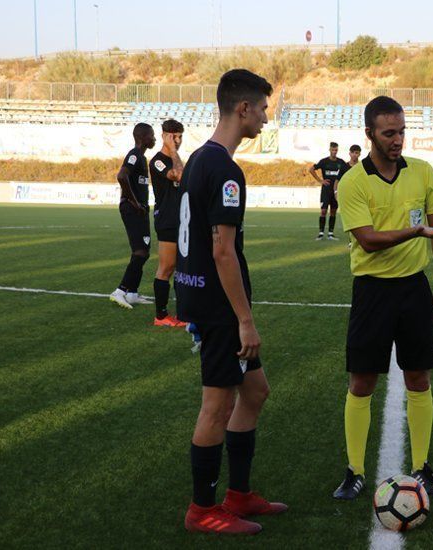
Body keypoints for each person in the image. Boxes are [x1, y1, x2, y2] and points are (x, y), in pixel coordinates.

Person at [175, 69, 287, 535]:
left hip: (203, 297)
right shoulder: (224, 169)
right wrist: (245, 319)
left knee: (255, 392)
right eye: (262, 108)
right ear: (243, 108)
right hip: (219, 307)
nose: (265, 117)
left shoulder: (200, 158)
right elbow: (222, 250)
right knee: (217, 406)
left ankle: (238, 494)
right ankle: (202, 509)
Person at [333, 96, 433, 500]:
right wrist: (414, 234)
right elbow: (367, 242)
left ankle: (422, 467)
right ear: (369, 134)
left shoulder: (422, 172)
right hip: (371, 291)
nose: (398, 139)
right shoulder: (352, 181)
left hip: (413, 288)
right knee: (362, 380)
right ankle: (354, 470)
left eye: (402, 131)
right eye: (389, 132)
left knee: (419, 378)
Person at [110, 123, 155, 309]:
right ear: (143, 137)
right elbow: (122, 176)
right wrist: (135, 203)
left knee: (144, 251)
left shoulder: (142, 158)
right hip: (132, 209)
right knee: (140, 252)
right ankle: (120, 291)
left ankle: (132, 293)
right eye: (152, 136)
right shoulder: (135, 154)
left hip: (140, 209)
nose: (154, 139)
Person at [149, 119, 187, 326]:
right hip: (167, 220)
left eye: (180, 136)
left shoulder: (176, 158)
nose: (178, 141)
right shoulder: (158, 161)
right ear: (164, 135)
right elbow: (179, 175)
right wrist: (172, 149)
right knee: (167, 267)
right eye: (174, 136)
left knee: (181, 267)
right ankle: (161, 316)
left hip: (181, 219)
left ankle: (184, 313)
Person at [309, 142, 349, 241]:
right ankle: (321, 233)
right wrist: (320, 181)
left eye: (336, 150)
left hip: (336, 190)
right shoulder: (324, 161)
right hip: (326, 190)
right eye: (333, 150)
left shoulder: (341, 162)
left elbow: (348, 172)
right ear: (330, 150)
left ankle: (331, 233)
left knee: (333, 211)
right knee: (323, 211)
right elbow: (311, 169)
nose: (334, 152)